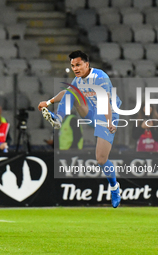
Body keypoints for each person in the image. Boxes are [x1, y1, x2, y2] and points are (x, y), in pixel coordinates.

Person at [38, 50, 122, 208]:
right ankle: (58, 119)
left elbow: (106, 103)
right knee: (72, 93)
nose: (75, 68)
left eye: (78, 65)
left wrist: (110, 121)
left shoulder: (100, 77)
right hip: (91, 112)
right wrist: (48, 102)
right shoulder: (78, 80)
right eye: (72, 66)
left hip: (107, 113)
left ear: (87, 64)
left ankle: (114, 187)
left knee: (101, 159)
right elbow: (66, 93)